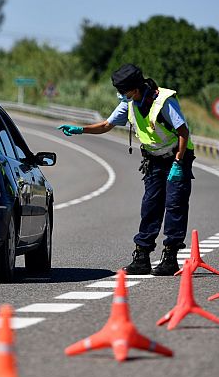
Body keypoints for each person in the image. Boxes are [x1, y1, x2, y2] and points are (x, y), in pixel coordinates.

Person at [57, 64, 195, 276]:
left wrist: (178, 162)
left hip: (178, 157)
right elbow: (106, 125)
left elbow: (183, 131)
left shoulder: (163, 102)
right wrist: (80, 130)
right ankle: (142, 257)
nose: (120, 95)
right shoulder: (129, 104)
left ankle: (170, 258)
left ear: (135, 89)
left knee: (174, 205)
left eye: (122, 91)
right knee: (150, 206)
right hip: (154, 160)